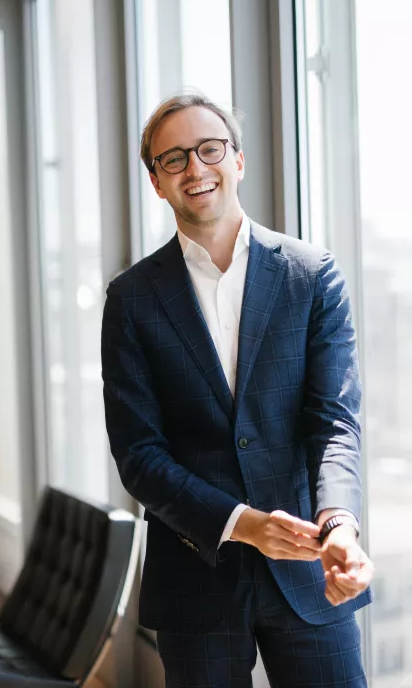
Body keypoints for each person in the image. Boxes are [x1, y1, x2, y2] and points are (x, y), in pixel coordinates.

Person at [101, 93, 374, 687]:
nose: (195, 169)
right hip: (194, 576)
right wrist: (242, 523)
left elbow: (334, 423)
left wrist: (339, 528)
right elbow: (138, 456)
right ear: (156, 182)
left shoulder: (312, 275)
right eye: (173, 159)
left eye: (209, 149)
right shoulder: (130, 300)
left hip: (311, 568)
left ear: (238, 160)